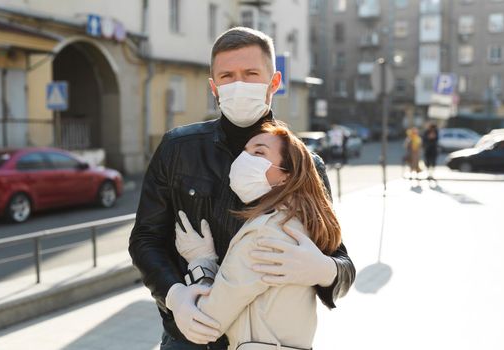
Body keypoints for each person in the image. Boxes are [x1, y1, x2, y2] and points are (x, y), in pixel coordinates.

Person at [129, 27, 355, 350]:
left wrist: (324, 269)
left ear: (274, 82)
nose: (239, 85)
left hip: (265, 342)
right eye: (227, 76)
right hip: (189, 337)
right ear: (214, 87)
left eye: (251, 74)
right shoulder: (178, 150)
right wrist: (174, 296)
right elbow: (145, 239)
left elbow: (343, 265)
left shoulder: (305, 165)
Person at [173, 122, 344, 350]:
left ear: (285, 176)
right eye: (245, 152)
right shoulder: (297, 224)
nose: (245, 159)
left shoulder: (265, 233)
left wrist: (201, 262)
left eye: (259, 152)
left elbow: (208, 320)